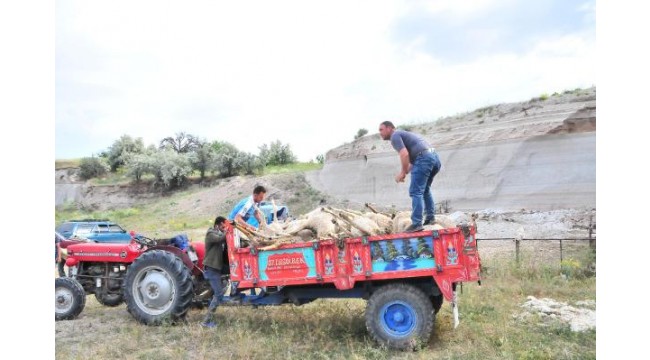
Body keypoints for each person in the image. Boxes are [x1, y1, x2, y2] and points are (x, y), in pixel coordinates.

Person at [379, 121, 442, 232]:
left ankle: (417, 223)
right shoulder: (405, 135)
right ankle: (430, 218)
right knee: (425, 189)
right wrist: (403, 173)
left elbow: (404, 154)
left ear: (389, 128)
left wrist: (402, 172)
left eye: (381, 130)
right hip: (433, 157)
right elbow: (413, 162)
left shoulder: (395, 136)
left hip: (424, 158)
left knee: (415, 191)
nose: (380, 133)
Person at [201, 216, 228, 328]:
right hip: (212, 268)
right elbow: (220, 239)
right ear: (218, 224)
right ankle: (206, 322)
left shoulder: (219, 233)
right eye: (223, 225)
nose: (224, 228)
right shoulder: (211, 233)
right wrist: (228, 231)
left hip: (218, 267)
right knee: (219, 294)